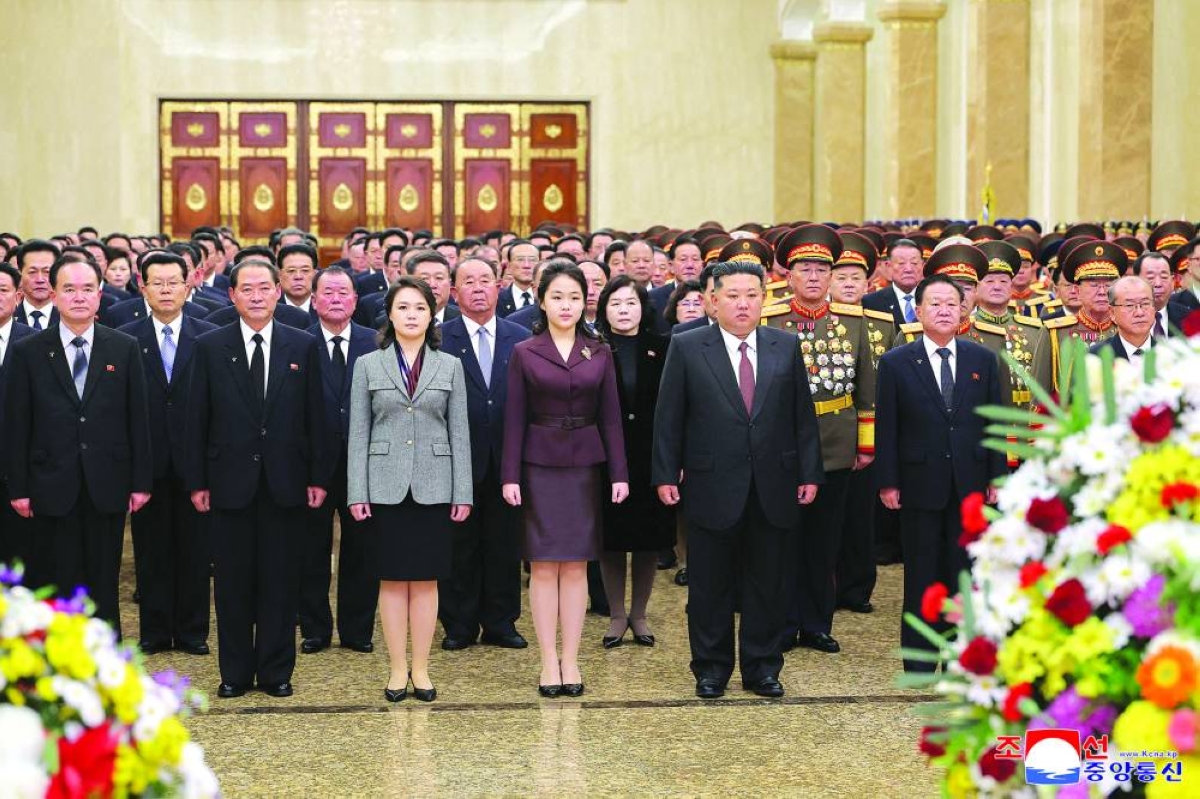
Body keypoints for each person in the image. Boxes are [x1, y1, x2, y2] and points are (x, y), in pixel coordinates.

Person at [653, 261, 823, 699]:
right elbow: (669, 417)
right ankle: (711, 669)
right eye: (732, 295)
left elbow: (802, 416)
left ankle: (763, 666)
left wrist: (809, 471)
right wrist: (665, 472)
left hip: (775, 481)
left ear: (764, 298)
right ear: (712, 300)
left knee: (768, 581)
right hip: (712, 483)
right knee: (710, 584)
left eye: (752, 294)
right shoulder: (688, 346)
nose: (743, 303)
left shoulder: (784, 345)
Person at [185, 258, 332, 699]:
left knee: (279, 582)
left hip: (285, 483)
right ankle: (234, 673)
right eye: (246, 289)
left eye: (264, 288)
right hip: (228, 483)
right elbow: (196, 420)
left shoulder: (302, 345)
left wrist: (318, 477)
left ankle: (275, 671)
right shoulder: (210, 346)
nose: (255, 296)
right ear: (232, 295)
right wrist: (197, 481)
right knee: (231, 585)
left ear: (277, 292)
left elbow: (317, 418)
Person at [5, 255, 153, 629]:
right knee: (56, 581)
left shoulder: (123, 347)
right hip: (49, 484)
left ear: (100, 295)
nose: (79, 297)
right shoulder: (28, 352)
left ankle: (106, 670)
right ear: (54, 295)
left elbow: (138, 419)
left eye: (88, 289)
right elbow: (17, 423)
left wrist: (140, 482)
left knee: (104, 583)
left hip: (107, 482)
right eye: (69, 289)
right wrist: (18, 487)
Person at [502, 262, 629, 697]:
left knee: (575, 566)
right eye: (557, 296)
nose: (566, 305)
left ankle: (571, 661)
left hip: (584, 468)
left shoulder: (600, 351)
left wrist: (619, 473)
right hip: (537, 467)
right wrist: (509, 476)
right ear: (542, 300)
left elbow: (612, 418)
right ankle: (547, 662)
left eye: (574, 297)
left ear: (585, 302)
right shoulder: (525, 351)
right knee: (542, 566)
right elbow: (514, 418)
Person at [348, 276, 473, 702]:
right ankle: (396, 670)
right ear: (390, 314)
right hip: (384, 485)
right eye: (403, 307)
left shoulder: (449, 365)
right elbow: (358, 433)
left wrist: (463, 492)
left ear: (431, 314)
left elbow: (460, 434)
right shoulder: (368, 364)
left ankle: (421, 669)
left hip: (435, 485)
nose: (412, 315)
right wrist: (356, 491)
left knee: (425, 582)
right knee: (390, 581)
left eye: (420, 308)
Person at [874, 274, 1005, 672]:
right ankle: (919, 656)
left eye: (952, 303)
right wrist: (888, 481)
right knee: (921, 572)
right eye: (936, 304)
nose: (945, 310)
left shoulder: (982, 359)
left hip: (970, 483)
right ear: (918, 311)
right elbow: (888, 426)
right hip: (918, 483)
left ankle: (958, 655)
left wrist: (996, 477)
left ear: (963, 310)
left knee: (963, 571)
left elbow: (993, 423)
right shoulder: (896, 362)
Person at [761, 226, 878, 654]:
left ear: (831, 278)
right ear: (787, 276)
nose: (813, 277)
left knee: (825, 541)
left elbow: (867, 389)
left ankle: (816, 623)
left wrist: (865, 444)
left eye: (821, 270)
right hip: (783, 444)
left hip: (835, 442)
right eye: (804, 270)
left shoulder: (853, 322)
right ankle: (782, 623)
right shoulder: (769, 321)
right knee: (783, 538)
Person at [117, 251, 216, 654]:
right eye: (156, 282)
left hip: (196, 462)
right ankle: (155, 632)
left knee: (196, 552)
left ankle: (193, 632)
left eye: (173, 282)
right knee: (151, 550)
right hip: (148, 462)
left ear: (188, 284)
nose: (165, 289)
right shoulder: (125, 337)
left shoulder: (208, 335)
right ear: (143, 287)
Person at [438, 257, 531, 651]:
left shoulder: (520, 336)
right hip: (456, 458)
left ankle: (501, 621)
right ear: (455, 293)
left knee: (504, 544)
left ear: (499, 287)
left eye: (486, 281)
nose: (478, 288)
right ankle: (459, 624)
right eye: (468, 282)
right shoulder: (440, 337)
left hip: (507, 458)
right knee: (458, 546)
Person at [298, 267, 378, 655]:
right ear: (314, 300)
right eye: (327, 292)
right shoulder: (297, 342)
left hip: (363, 463)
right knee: (311, 550)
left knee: (362, 551)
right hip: (310, 466)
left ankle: (357, 629)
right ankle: (315, 628)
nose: (335, 298)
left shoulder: (374, 342)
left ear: (354, 300)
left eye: (342, 292)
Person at [594, 275, 672, 648]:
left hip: (650, 455)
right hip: (604, 456)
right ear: (603, 308)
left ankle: (639, 614)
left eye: (631, 302)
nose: (624, 310)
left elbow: (675, 408)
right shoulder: (591, 348)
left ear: (644, 307)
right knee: (611, 538)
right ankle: (615, 615)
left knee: (647, 538)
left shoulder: (664, 345)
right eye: (616, 303)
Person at [0, 263, 35, 568]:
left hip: (20, 470)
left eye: (2, 290)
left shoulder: (36, 343)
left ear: (18, 296)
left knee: (20, 560)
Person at [1089, 275, 1156, 367]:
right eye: (1129, 305)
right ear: (1112, 313)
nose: (1139, 313)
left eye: (1145, 304)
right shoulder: (1095, 358)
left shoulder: (1171, 354)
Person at [863, 238, 924, 327]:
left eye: (914, 263)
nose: (908, 269)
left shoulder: (934, 298)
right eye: (901, 263)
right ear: (888, 266)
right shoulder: (871, 302)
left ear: (922, 266)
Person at [13, 239, 60, 329]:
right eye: (32, 272)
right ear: (20, 274)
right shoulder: (7, 318)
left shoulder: (69, 319)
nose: (40, 279)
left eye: (47, 272)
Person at [498, 240, 539, 317]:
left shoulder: (547, 299)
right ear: (509, 266)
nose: (526, 265)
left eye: (532, 260)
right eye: (520, 259)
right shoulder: (497, 300)